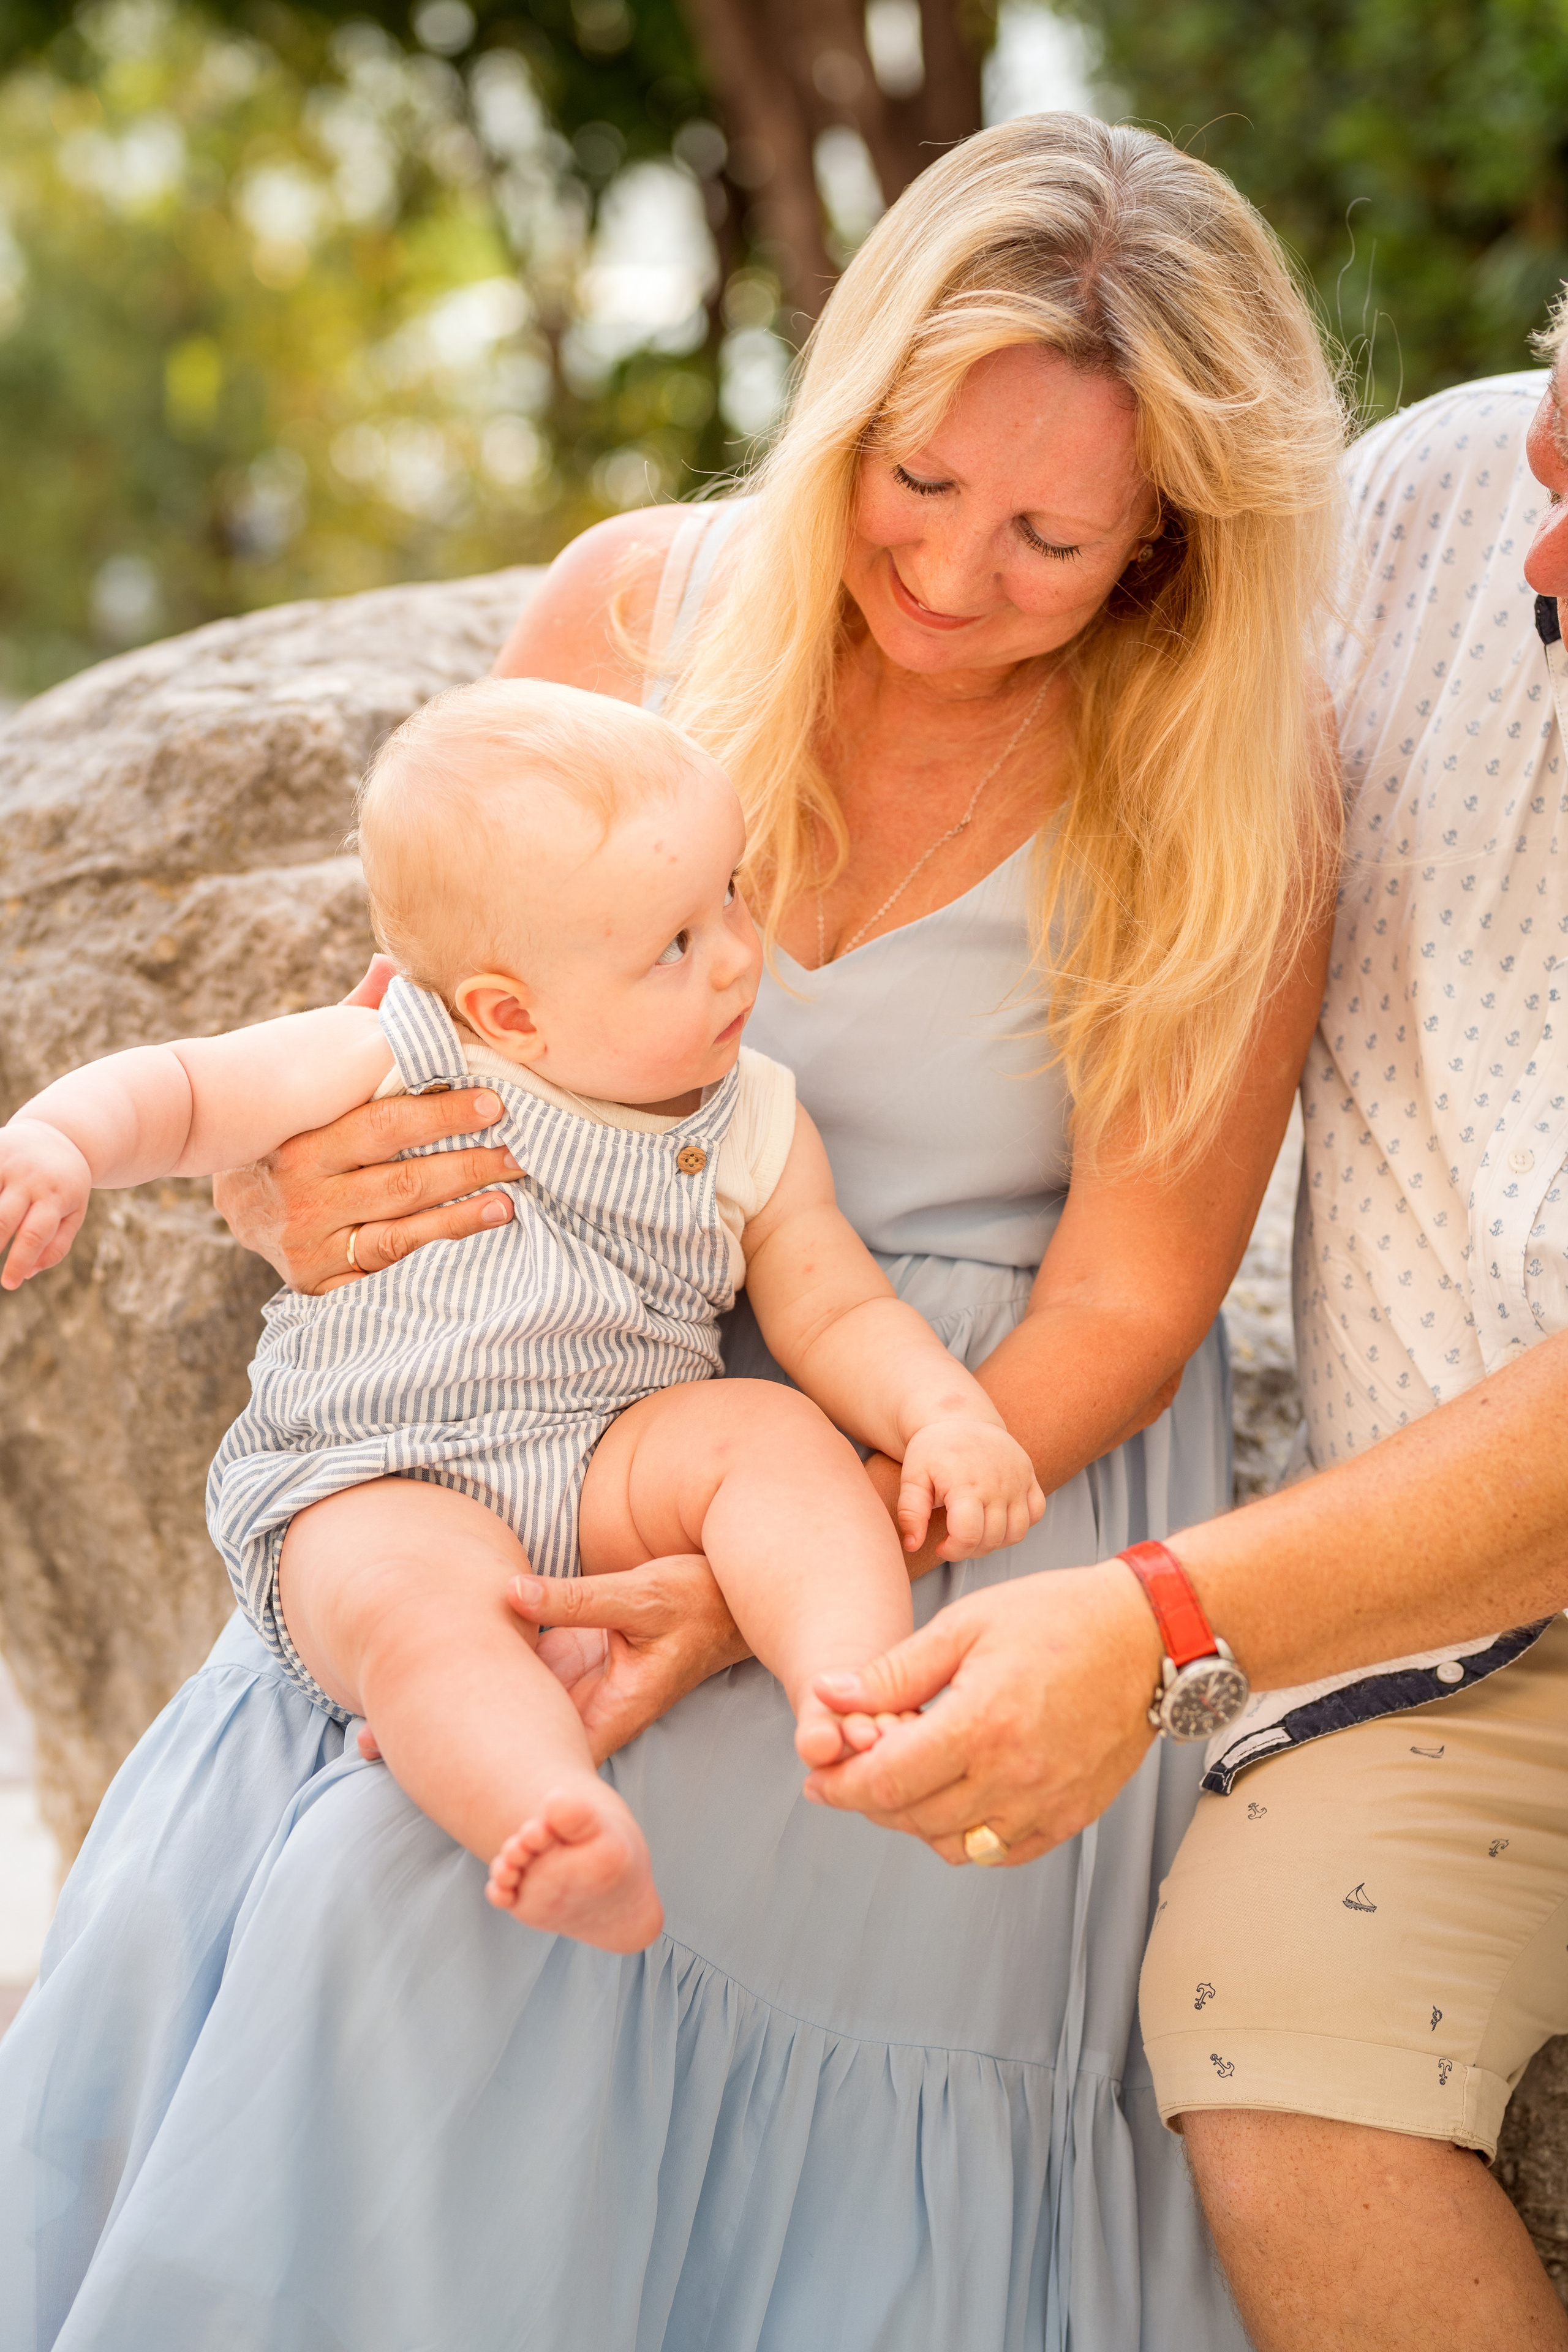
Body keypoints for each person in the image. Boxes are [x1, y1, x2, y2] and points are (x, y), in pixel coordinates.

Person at [0, 116, 1343, 2349]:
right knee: (343, 1826)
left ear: (1169, 546)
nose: (952, 569)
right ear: (856, 407)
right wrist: (279, 1184)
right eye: (921, 480)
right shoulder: (639, 610)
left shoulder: (1218, 775)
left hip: (943, 1477)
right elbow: (418, 1033)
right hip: (551, 1374)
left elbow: (1132, 1293)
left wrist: (778, 1575)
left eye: (1053, 538)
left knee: (428, 1915)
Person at [803, 344, 1568, 2348]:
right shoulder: (1434, 503)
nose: (1542, 537)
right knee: (1273, 2026)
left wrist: (1149, 1614)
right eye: (1561, 453)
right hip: (1445, 1623)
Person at [0, 677, 1038, 1949]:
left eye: (731, 893)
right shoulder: (394, 1052)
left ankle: (857, 1688)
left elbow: (832, 1307)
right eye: (673, 944)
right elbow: (185, 1092)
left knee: (774, 1435)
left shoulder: (750, 1118)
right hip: (378, 1472)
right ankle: (545, 1814)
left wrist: (942, 1417)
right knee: (417, 1622)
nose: (731, 954)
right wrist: (58, 1142)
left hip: (613, 1452)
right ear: (507, 1013)